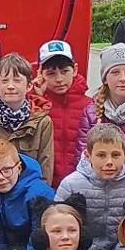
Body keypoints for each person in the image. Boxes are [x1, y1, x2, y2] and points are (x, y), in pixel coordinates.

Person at [54, 124, 125, 250]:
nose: (109, 162)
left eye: (115, 155)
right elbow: (58, 225)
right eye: (101, 155)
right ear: (88, 155)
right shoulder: (71, 185)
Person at [0, 53, 56, 183]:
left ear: (29, 86)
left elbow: (45, 169)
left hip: (28, 196)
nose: (10, 86)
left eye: (17, 80)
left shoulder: (42, 124)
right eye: (4, 81)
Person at [36, 39, 93, 186]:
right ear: (40, 73)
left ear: (74, 70)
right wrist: (37, 98)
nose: (59, 79)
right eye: (51, 73)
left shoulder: (90, 105)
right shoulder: (34, 104)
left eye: (64, 71)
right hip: (46, 183)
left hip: (82, 183)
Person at [0, 139, 55, 250]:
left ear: (19, 168)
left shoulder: (39, 194)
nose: (0, 177)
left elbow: (39, 235)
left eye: (6, 170)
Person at [90, 43, 125, 150]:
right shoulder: (91, 112)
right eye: (115, 72)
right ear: (105, 79)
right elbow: (83, 155)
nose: (123, 78)